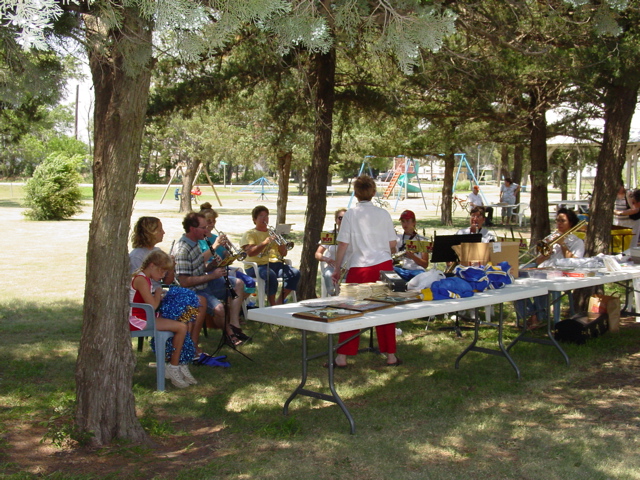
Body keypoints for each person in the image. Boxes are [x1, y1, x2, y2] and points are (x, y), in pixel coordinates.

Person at [330, 175, 400, 367]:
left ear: (355, 193)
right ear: (373, 192)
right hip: (383, 265)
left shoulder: (351, 214)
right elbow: (393, 244)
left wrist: (337, 269)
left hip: (360, 267)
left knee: (351, 310)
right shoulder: (383, 214)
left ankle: (342, 356)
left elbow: (343, 244)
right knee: (386, 311)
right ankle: (391, 355)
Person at [174, 212, 246, 350]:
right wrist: (212, 276)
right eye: (203, 227)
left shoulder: (194, 243)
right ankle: (229, 334)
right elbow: (184, 282)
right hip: (194, 290)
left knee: (237, 283)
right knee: (219, 308)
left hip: (204, 283)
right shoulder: (183, 249)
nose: (207, 230)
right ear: (193, 229)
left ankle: (234, 325)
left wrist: (211, 266)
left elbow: (198, 266)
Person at [130, 250, 196, 389]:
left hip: (146, 315)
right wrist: (159, 293)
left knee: (186, 317)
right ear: (152, 265)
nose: (163, 276)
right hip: (138, 319)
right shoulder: (141, 279)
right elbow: (153, 306)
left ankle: (180, 363)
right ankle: (173, 366)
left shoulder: (146, 279)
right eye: (162, 271)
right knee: (181, 327)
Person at [517, 208, 585, 329]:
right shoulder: (551, 237)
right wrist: (545, 255)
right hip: (543, 269)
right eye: (557, 220)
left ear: (571, 223)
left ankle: (537, 318)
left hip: (560, 273)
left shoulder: (577, 242)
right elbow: (538, 261)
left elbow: (574, 263)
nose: (559, 223)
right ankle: (531, 315)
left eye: (562, 221)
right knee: (516, 277)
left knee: (541, 282)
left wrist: (563, 244)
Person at [198, 204, 251, 342]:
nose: (212, 224)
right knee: (233, 288)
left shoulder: (216, 237)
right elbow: (199, 263)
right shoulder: (199, 239)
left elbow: (225, 261)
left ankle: (234, 323)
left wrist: (227, 253)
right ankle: (229, 329)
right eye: (209, 221)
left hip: (217, 276)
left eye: (214, 221)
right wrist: (215, 249)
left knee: (239, 284)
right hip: (204, 279)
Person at [241, 205, 301, 306]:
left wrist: (281, 244)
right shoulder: (250, 234)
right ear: (254, 219)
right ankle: (272, 305)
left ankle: (280, 301)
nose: (265, 219)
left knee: (295, 273)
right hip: (256, 266)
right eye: (261, 216)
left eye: (266, 216)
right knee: (270, 275)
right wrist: (264, 243)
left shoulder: (273, 233)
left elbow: (283, 254)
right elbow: (250, 252)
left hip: (275, 264)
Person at [129, 216, 175, 291]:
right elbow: (138, 284)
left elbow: (167, 282)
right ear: (150, 233)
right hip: (149, 296)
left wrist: (171, 266)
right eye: (160, 230)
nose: (163, 232)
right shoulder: (137, 256)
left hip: (159, 293)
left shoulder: (157, 251)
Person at [315, 208, 347, 296]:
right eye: (340, 218)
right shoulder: (330, 234)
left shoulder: (353, 235)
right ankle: (332, 296)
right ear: (336, 220)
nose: (342, 220)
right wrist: (326, 259)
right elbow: (318, 254)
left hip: (348, 268)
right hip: (332, 267)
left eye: (345, 218)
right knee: (328, 274)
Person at [393, 210, 429, 280]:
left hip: (417, 271)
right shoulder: (397, 238)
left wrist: (412, 256)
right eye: (403, 221)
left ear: (414, 222)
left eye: (408, 221)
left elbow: (425, 264)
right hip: (401, 269)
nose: (405, 224)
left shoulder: (422, 240)